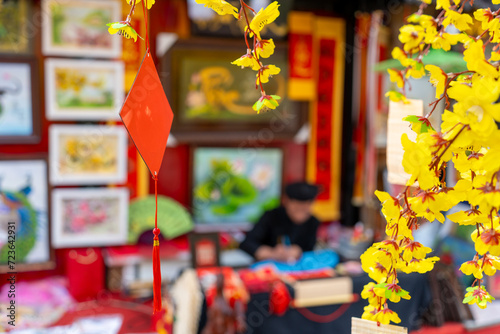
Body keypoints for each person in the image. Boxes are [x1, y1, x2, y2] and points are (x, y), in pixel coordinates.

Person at [239, 182, 320, 262]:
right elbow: (247, 243)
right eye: (296, 208)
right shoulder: (271, 216)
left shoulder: (313, 222)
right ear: (286, 201)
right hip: (267, 268)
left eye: (304, 209)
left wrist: (298, 251)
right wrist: (271, 253)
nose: (300, 214)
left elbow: (310, 250)